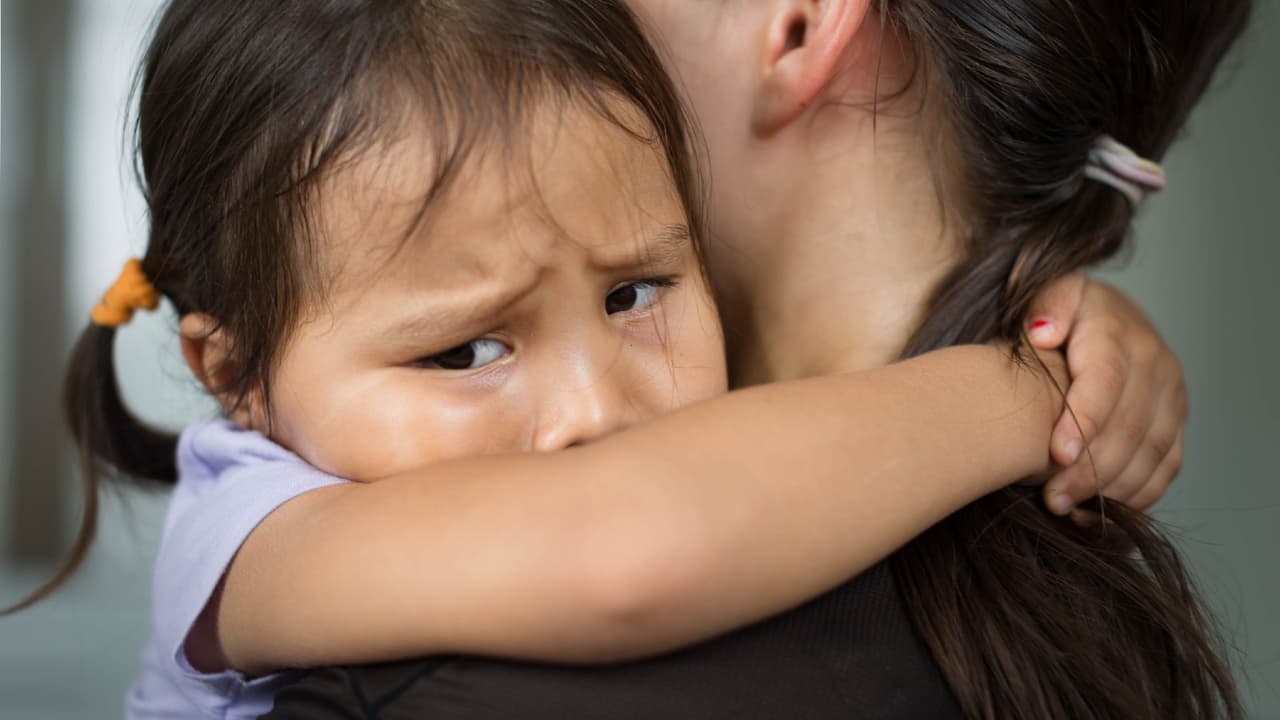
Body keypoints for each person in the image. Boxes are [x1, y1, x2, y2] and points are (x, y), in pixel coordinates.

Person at [22, 0, 1198, 718]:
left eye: (635, 293)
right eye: (465, 349)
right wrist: (1024, 385)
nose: (597, 413)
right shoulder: (247, 528)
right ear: (236, 379)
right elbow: (629, 548)